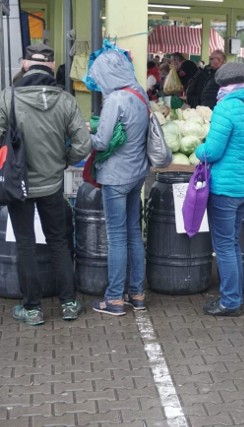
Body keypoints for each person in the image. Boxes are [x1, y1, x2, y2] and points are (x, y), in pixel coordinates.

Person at [0, 43, 91, 325]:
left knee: (25, 244)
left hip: (19, 185)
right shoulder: (66, 100)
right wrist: (63, 160)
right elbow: (83, 144)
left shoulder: (8, 97)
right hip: (53, 184)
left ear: (25, 64)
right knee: (59, 242)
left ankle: (32, 309)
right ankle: (69, 304)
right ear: (51, 66)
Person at [195, 63, 244, 317]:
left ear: (223, 85)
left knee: (224, 246)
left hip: (225, 189)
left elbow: (212, 152)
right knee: (232, 243)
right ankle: (233, 295)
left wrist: (198, 150)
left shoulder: (225, 108)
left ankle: (230, 301)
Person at [89, 49, 151, 316]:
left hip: (116, 176)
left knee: (116, 237)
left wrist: (84, 137)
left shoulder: (115, 99)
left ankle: (114, 298)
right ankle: (137, 293)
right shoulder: (140, 94)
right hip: (137, 174)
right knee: (134, 234)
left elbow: (102, 141)